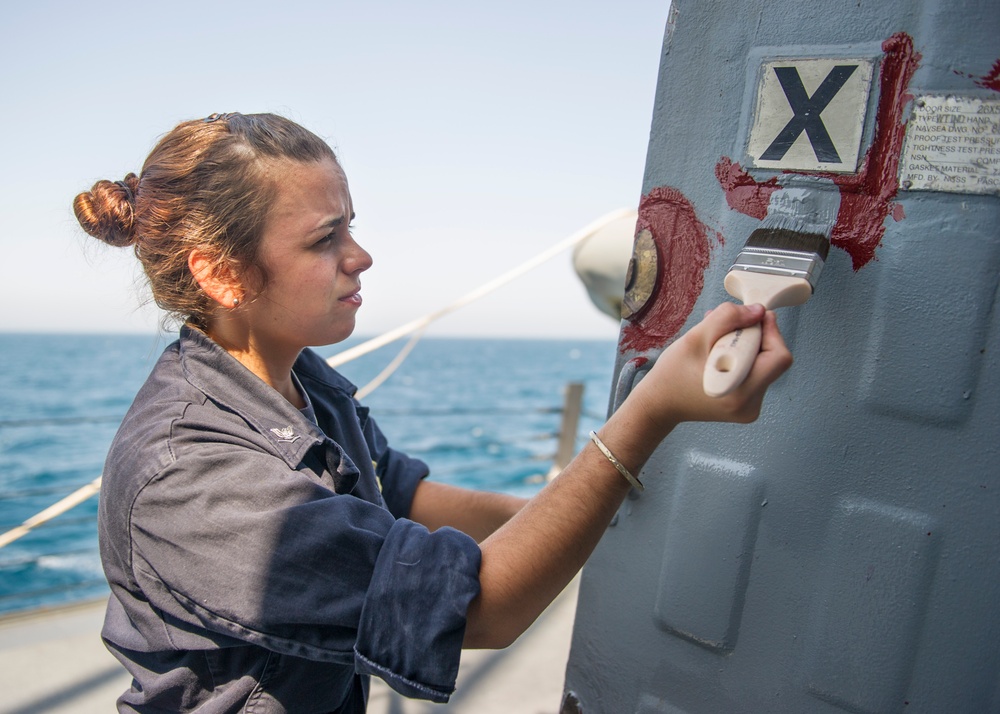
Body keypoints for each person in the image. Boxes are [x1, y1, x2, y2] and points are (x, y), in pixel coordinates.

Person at [74, 112, 792, 713]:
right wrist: (651, 411)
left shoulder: (301, 380)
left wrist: (577, 519)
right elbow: (483, 608)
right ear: (222, 273)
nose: (362, 256)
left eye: (351, 227)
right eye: (326, 239)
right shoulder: (191, 479)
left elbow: (402, 495)